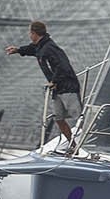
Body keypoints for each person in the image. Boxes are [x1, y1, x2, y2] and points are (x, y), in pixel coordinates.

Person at [5, 21, 81, 151]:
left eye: (30, 33)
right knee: (59, 118)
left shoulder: (49, 48)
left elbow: (62, 65)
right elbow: (32, 49)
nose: (29, 35)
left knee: (78, 116)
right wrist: (18, 50)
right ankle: (74, 146)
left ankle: (85, 145)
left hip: (68, 87)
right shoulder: (41, 46)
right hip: (58, 89)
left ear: (34, 33)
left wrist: (54, 80)